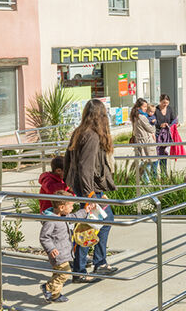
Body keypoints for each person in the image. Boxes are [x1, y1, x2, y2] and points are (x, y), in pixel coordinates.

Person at [63, 99, 118, 282]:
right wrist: (90, 195)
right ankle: (84, 269)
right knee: (90, 226)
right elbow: (85, 167)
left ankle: (93, 264)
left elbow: (67, 161)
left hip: (85, 188)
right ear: (100, 116)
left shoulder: (79, 133)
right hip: (88, 189)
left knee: (97, 223)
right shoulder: (92, 136)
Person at [39, 190, 87, 303]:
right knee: (64, 273)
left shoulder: (64, 215)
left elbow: (75, 216)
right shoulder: (51, 221)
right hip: (58, 253)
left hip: (65, 252)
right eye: (70, 206)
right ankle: (48, 288)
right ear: (61, 207)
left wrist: (85, 211)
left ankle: (55, 295)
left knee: (58, 274)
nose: (72, 208)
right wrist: (51, 249)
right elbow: (44, 237)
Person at [130, 98, 156, 183]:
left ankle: (142, 178)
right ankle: (146, 181)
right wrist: (153, 123)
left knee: (144, 160)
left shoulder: (134, 116)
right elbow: (151, 129)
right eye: (144, 107)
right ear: (138, 107)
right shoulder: (142, 117)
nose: (146, 108)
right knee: (147, 161)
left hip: (140, 141)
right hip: (146, 141)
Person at [154, 94, 177, 177]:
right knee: (157, 154)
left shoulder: (169, 109)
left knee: (164, 153)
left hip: (166, 135)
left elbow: (173, 119)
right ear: (160, 101)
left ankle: (164, 173)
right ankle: (154, 175)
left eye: (167, 103)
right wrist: (160, 125)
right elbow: (153, 121)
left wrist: (173, 124)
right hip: (157, 134)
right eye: (164, 103)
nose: (165, 105)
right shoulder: (156, 110)